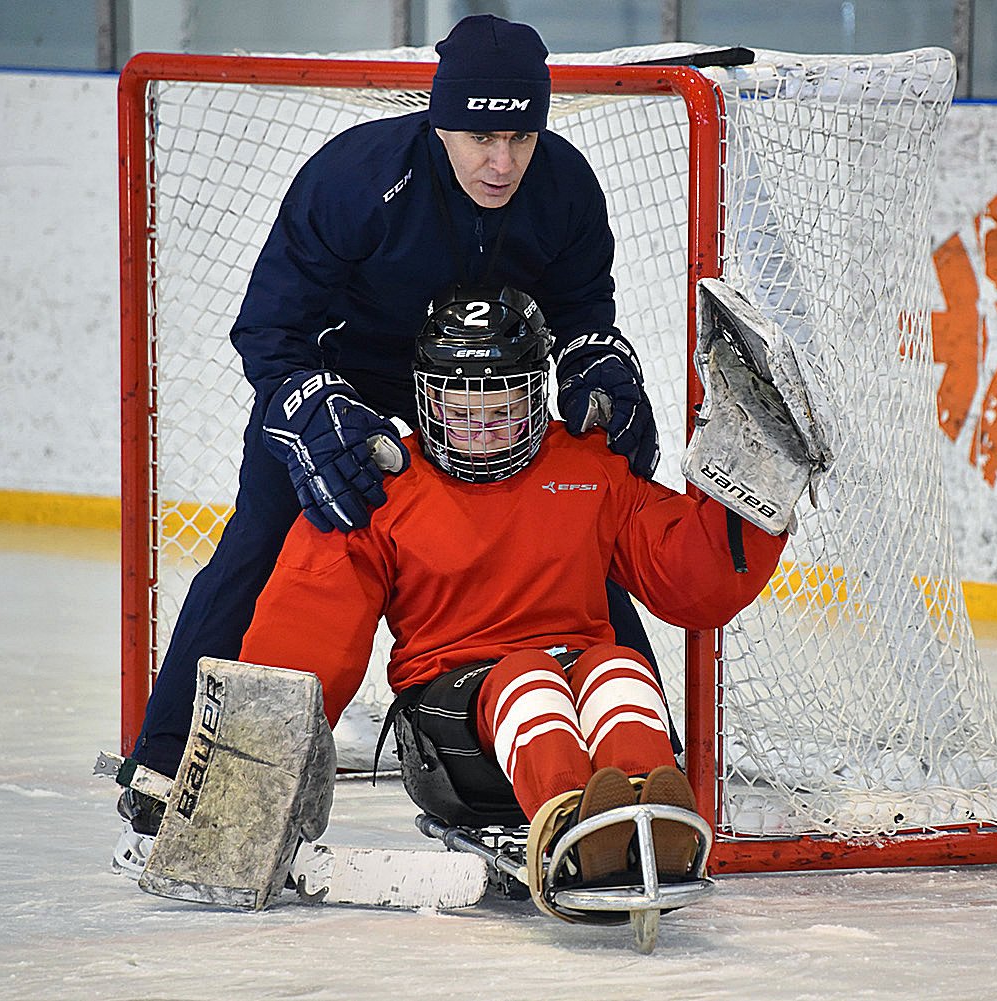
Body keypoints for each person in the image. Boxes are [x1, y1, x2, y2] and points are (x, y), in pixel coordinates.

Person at [123, 14, 664, 808]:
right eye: (481, 137)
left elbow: (583, 307)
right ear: (440, 119)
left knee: (573, 532)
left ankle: (639, 759)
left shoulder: (566, 187)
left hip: (485, 393)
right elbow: (270, 329)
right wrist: (310, 412)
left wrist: (598, 366)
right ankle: (169, 764)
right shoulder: (356, 178)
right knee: (261, 546)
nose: (501, 160)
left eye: (520, 137)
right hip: (349, 388)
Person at [234, 286, 786, 888]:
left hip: (565, 676)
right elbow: (306, 630)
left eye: (501, 410)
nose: (482, 430)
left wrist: (755, 470)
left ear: (536, 395)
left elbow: (692, 576)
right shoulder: (378, 488)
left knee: (618, 666)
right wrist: (257, 775)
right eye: (459, 410)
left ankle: (645, 819)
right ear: (424, 397)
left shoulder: (584, 465)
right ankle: (573, 825)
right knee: (527, 677)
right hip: (450, 734)